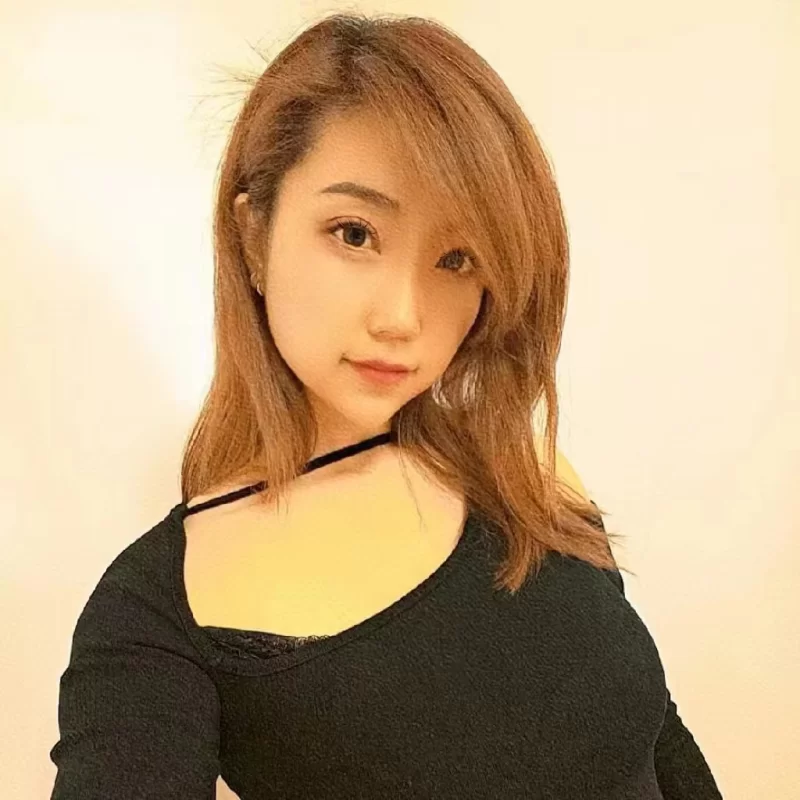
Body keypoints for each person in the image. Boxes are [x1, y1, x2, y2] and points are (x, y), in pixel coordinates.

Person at [48, 11, 723, 799]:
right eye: (355, 234)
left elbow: (658, 737)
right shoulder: (163, 610)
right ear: (255, 236)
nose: (402, 317)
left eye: (457, 258)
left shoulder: (526, 472)